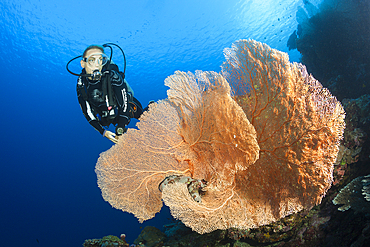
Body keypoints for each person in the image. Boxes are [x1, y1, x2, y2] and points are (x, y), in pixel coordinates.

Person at [76, 44, 151, 143]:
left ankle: (151, 108)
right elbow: (87, 112)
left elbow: (124, 104)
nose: (97, 64)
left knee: (143, 117)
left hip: (123, 107)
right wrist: (103, 131)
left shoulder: (112, 76)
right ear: (83, 63)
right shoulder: (81, 84)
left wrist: (120, 128)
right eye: (92, 60)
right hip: (105, 115)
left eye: (100, 60)